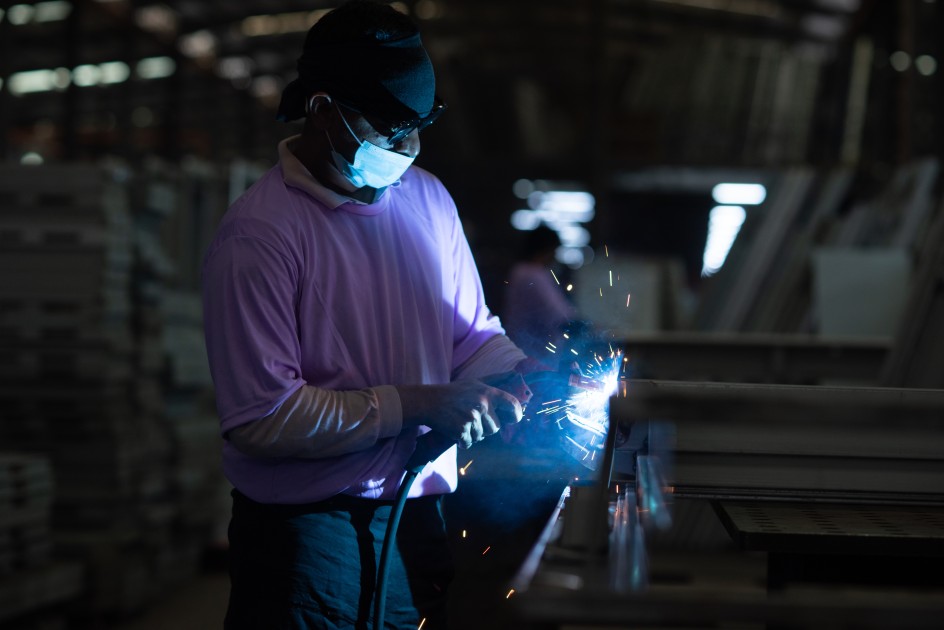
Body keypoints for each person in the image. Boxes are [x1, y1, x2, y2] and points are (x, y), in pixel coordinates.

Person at [201, 2, 538, 628]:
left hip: (417, 520)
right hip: (309, 539)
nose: (407, 147)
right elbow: (262, 419)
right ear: (323, 110)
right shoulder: (261, 235)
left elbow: (470, 336)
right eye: (388, 129)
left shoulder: (428, 200)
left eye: (418, 126)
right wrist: (418, 404)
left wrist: (521, 371)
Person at [502, 225, 580, 360]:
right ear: (546, 249)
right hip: (533, 356)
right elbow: (560, 317)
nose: (555, 256)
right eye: (554, 251)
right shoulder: (533, 275)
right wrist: (590, 330)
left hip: (522, 351)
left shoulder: (520, 271)